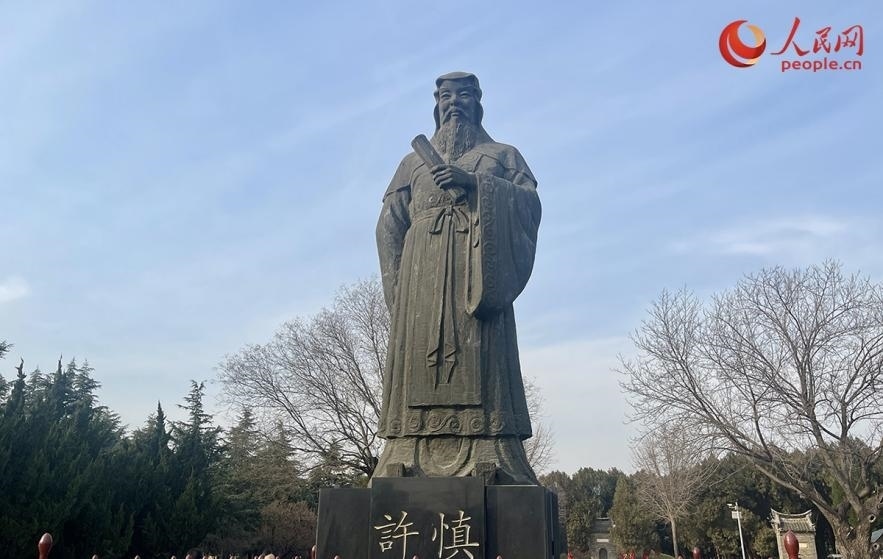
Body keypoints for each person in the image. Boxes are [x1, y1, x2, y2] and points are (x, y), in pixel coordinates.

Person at [374, 72, 541, 484]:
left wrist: (476, 185)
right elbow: (389, 225)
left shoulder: (503, 156)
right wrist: (399, 292)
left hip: (476, 271)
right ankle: (404, 448)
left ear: (477, 102)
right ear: (436, 105)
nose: (454, 103)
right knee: (418, 358)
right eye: (445, 96)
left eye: (464, 95)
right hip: (422, 279)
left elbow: (529, 206)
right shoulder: (412, 163)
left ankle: (489, 446)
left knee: (481, 351)